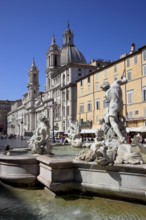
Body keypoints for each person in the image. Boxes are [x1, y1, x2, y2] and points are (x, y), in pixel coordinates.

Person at [100, 73, 128, 143]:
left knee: (112, 121)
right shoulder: (116, 83)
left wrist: (106, 115)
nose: (103, 90)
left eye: (103, 89)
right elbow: (125, 80)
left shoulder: (106, 93)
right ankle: (123, 125)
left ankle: (121, 137)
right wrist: (123, 77)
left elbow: (107, 105)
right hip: (120, 105)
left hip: (113, 106)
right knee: (120, 117)